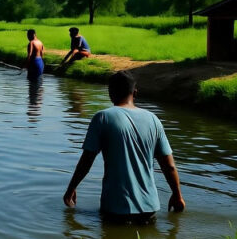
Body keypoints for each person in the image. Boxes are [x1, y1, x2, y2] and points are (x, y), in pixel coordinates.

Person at [63, 71, 185, 224]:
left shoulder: (102, 118)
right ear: (134, 92)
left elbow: (87, 160)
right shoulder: (153, 120)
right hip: (149, 209)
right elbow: (169, 166)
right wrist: (177, 195)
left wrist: (71, 189)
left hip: (115, 209)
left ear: (110, 93)